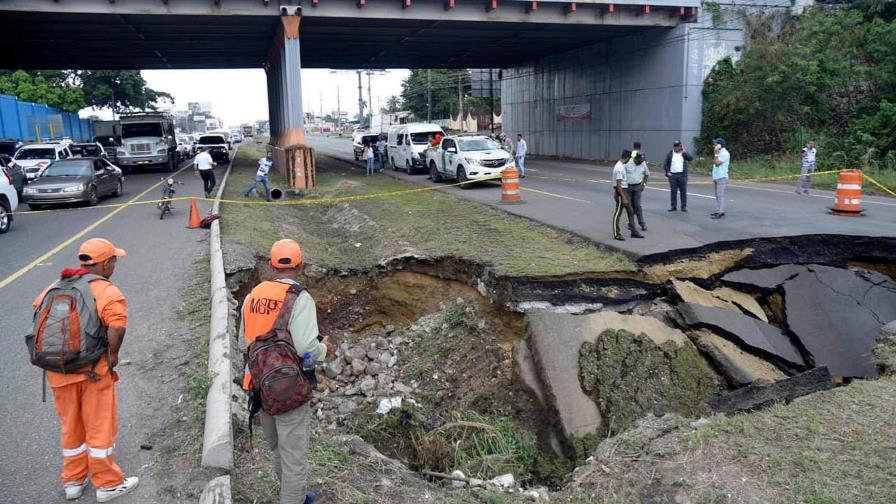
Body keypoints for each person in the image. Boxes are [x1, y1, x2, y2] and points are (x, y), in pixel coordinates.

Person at [31, 239, 139, 502]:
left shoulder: (55, 286)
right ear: (105, 263)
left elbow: (38, 314)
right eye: (114, 260)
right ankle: (108, 484)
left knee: (71, 426)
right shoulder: (106, 290)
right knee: (99, 425)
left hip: (58, 370)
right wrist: (113, 355)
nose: (114, 265)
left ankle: (73, 481)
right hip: (93, 372)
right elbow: (117, 326)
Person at [239, 239, 333, 504]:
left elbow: (243, 342)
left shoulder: (252, 295)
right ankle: (294, 498)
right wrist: (323, 349)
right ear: (300, 266)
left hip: (258, 385)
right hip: (286, 387)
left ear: (271, 266)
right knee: (294, 457)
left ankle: (292, 494)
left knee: (278, 447)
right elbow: (305, 348)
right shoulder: (299, 298)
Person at [612, 150, 643, 240]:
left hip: (624, 192)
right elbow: (618, 185)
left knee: (630, 211)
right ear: (627, 158)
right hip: (620, 193)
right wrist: (623, 197)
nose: (629, 160)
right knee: (618, 213)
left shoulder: (621, 165)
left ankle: (634, 232)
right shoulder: (619, 168)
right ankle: (616, 233)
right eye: (629, 158)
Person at [664, 140, 693, 212]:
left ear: (680, 146)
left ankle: (683, 207)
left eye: (678, 146)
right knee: (673, 191)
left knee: (683, 191)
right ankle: (673, 206)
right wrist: (668, 172)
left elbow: (690, 158)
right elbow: (666, 163)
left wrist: (684, 151)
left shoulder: (683, 153)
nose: (676, 147)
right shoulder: (670, 153)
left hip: (682, 175)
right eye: (675, 146)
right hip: (673, 175)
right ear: (673, 146)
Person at [625, 151, 650, 232]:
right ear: (635, 158)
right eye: (639, 161)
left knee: (637, 206)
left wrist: (644, 184)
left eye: (641, 161)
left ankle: (642, 223)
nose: (640, 163)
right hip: (627, 187)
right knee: (629, 206)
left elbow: (647, 174)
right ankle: (631, 223)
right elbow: (622, 174)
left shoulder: (643, 163)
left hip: (637, 186)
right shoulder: (628, 163)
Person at [711, 137, 730, 219]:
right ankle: (718, 210)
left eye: (715, 144)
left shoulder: (725, 153)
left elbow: (717, 163)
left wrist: (716, 153)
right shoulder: (719, 152)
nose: (713, 145)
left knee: (720, 195)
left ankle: (721, 212)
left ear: (720, 145)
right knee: (717, 195)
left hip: (722, 176)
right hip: (717, 176)